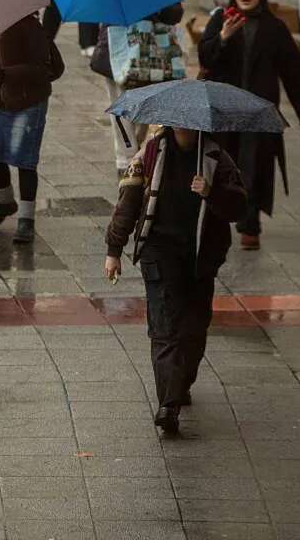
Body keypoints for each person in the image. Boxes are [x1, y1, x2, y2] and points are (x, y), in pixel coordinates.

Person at [104, 126, 247, 435]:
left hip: (200, 257)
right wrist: (114, 250)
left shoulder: (215, 157)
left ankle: (181, 384)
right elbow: (127, 201)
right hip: (159, 251)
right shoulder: (149, 154)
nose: (183, 130)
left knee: (194, 327)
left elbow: (239, 207)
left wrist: (211, 192)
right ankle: (168, 403)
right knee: (166, 327)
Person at [197, 0, 300, 250]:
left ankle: (250, 225)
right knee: (224, 164)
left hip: (258, 112)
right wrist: (223, 37)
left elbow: (293, 71)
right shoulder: (221, 19)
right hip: (225, 110)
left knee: (254, 167)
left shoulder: (274, 28)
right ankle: (219, 216)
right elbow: (205, 57)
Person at [0, 14, 64, 244]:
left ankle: (26, 219)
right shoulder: (0, 27)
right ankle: (4, 202)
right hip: (3, 100)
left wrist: (7, 74)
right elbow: (0, 67)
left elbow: (41, 70)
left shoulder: (31, 27)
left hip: (29, 100)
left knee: (25, 161)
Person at [90, 3, 187, 175]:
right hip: (117, 51)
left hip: (151, 55)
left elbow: (174, 16)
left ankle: (136, 158)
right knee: (121, 110)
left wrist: (159, 6)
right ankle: (127, 163)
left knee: (144, 110)